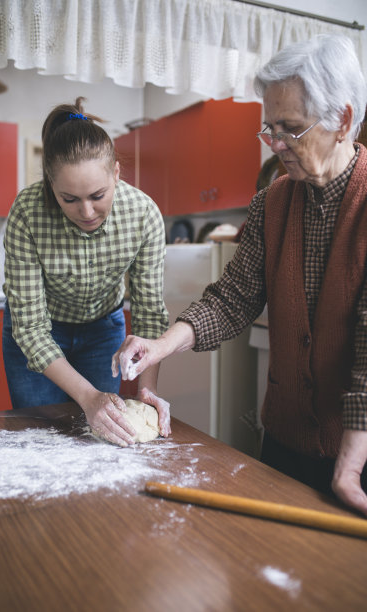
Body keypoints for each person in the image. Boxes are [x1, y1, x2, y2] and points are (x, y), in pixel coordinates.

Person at [112, 34, 367, 516]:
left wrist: (352, 462)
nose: (274, 143)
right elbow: (231, 298)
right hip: (285, 444)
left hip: (360, 451)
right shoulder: (272, 204)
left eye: (289, 127)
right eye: (268, 127)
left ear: (343, 121)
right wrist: (163, 345)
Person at [2, 97, 170, 446]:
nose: (87, 211)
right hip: (39, 332)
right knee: (41, 439)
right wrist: (87, 396)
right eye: (69, 199)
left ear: (117, 174)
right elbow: (30, 328)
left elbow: (150, 316)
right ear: (50, 185)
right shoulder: (27, 213)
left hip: (102, 331)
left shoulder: (143, 215)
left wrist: (147, 388)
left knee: (98, 439)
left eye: (98, 194)